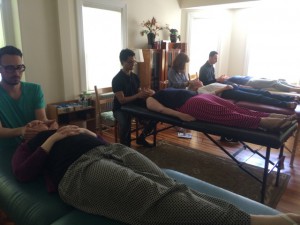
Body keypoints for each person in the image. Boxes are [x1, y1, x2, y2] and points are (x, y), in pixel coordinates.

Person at [12, 123, 300, 225]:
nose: (41, 122)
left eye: (43, 121)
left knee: (169, 183)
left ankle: (242, 218)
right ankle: (257, 222)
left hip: (110, 151)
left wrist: (88, 133)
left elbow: (99, 139)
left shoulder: (65, 130)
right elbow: (23, 173)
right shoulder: (29, 145)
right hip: (78, 171)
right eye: (35, 123)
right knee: (155, 197)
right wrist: (50, 140)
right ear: (27, 133)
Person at [146, 88, 296, 131]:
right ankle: (266, 123)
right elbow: (160, 110)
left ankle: (274, 116)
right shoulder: (150, 99)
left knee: (237, 108)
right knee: (229, 115)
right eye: (143, 90)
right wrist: (181, 116)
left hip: (200, 98)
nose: (146, 89)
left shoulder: (162, 90)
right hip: (192, 106)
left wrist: (214, 92)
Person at [0, 45, 57, 149]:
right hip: (6, 154)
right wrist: (22, 130)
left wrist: (49, 125)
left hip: (34, 149)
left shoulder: (35, 90)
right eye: (9, 68)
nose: (16, 73)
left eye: (19, 67)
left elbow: (42, 119)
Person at [112, 48, 156, 147]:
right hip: (120, 108)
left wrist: (146, 93)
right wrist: (138, 95)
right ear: (122, 62)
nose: (132, 64)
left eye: (134, 62)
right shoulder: (117, 79)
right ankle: (124, 147)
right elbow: (122, 100)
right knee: (125, 124)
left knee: (154, 117)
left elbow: (138, 92)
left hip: (134, 105)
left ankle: (141, 138)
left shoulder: (135, 77)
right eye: (130, 62)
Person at [197, 82, 298, 109]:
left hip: (232, 88)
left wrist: (234, 85)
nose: (198, 80)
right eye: (195, 81)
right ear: (193, 86)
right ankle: (286, 104)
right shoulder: (199, 90)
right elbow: (210, 95)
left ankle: (291, 98)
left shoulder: (206, 85)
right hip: (227, 93)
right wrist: (224, 88)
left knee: (262, 92)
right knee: (258, 98)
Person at [224, 75, 300, 93]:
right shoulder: (228, 80)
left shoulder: (233, 76)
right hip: (251, 82)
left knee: (279, 80)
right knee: (274, 82)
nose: (224, 75)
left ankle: (295, 86)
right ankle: (295, 90)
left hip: (253, 78)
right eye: (223, 76)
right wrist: (249, 87)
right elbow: (237, 85)